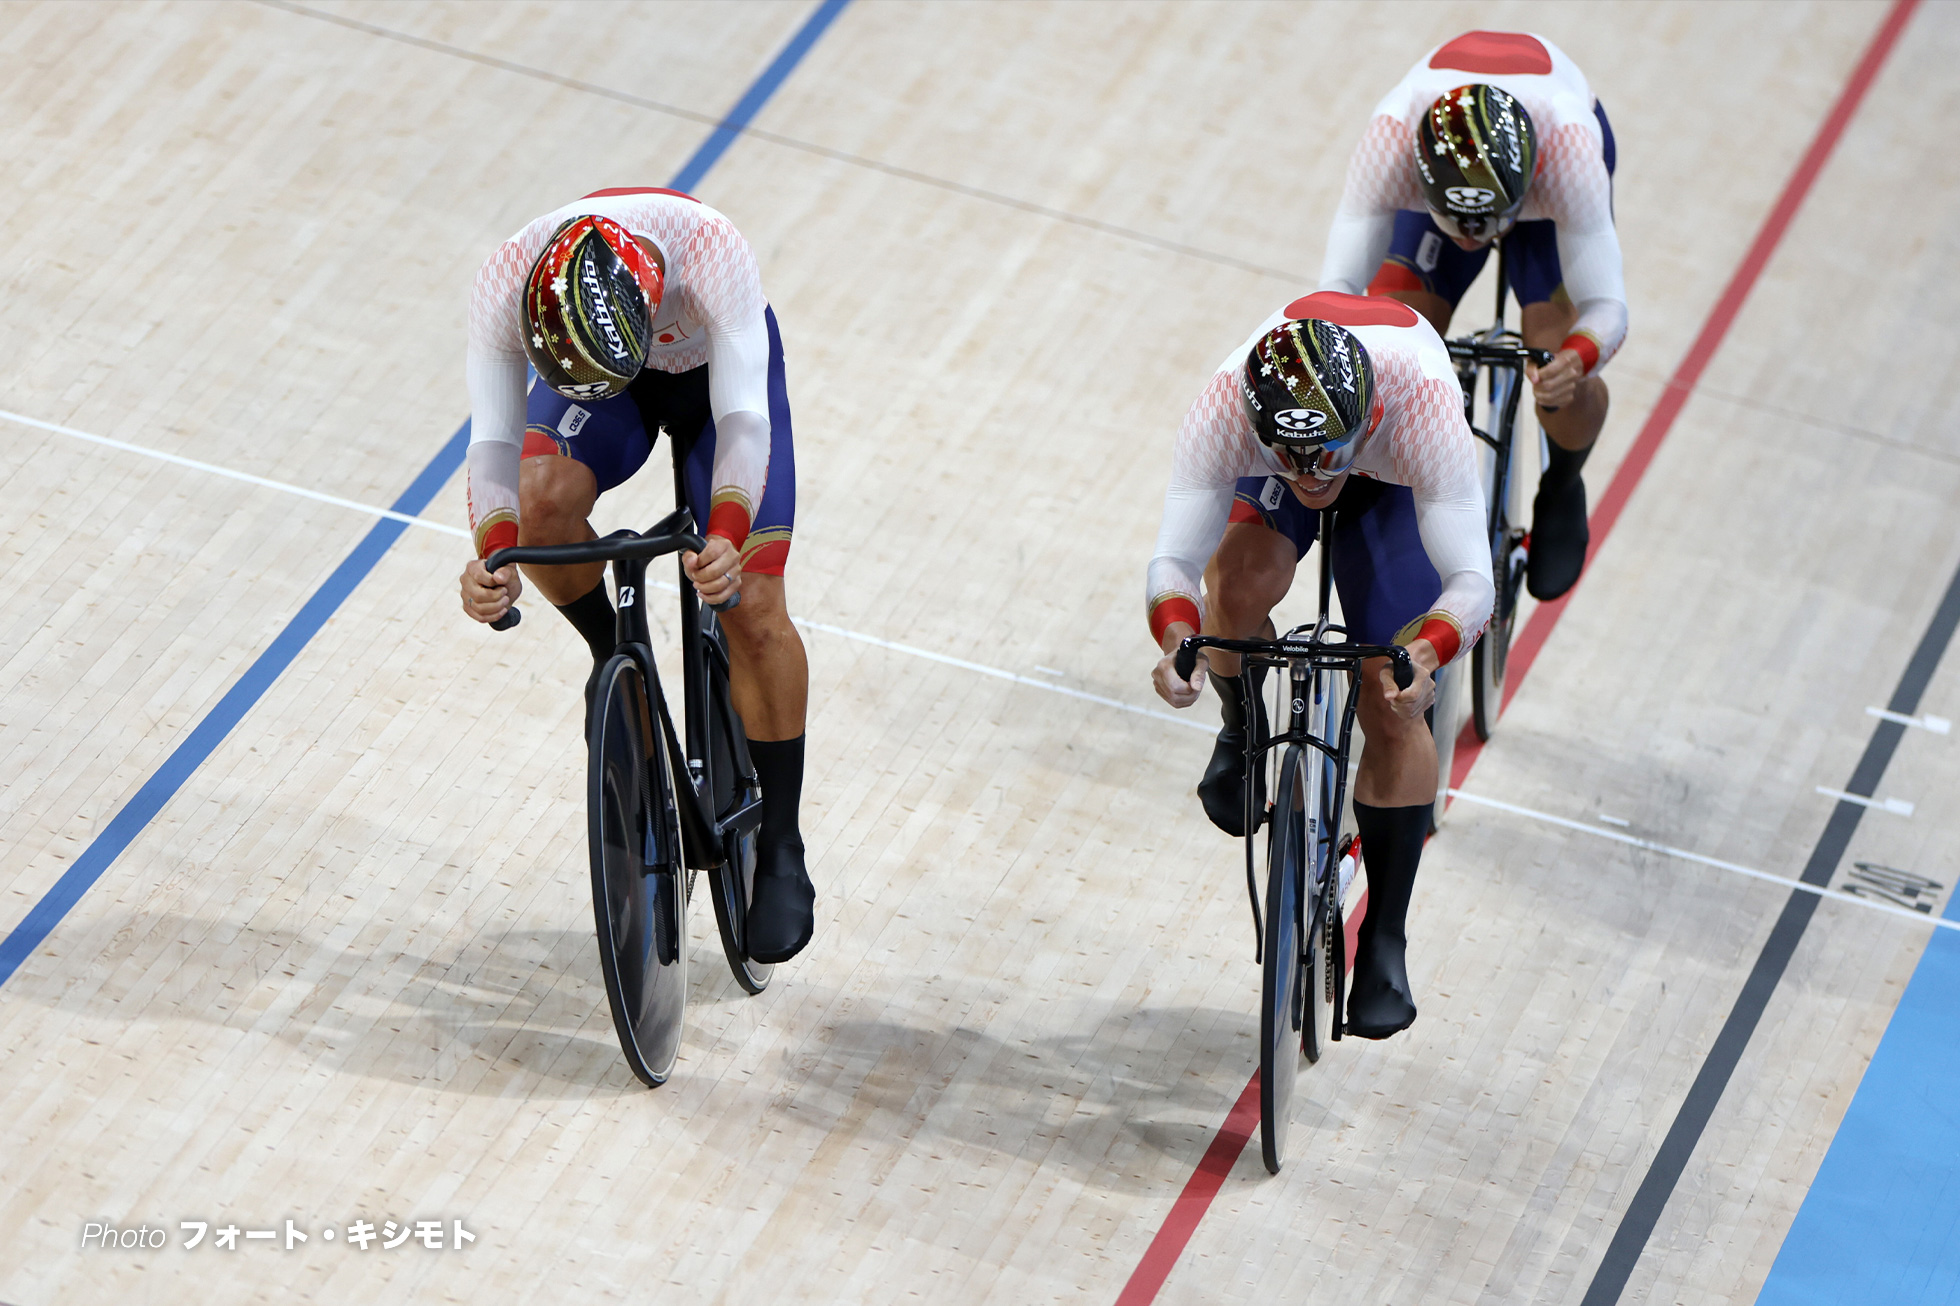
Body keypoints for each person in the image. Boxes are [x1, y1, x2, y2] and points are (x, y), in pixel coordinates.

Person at [456, 187, 814, 964]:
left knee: (750, 600)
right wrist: (494, 552)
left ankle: (783, 845)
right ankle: (611, 652)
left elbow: (746, 423)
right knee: (541, 502)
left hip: (717, 379)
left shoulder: (711, 252)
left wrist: (724, 533)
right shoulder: (509, 276)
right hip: (608, 375)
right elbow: (493, 447)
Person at [1148, 291, 1492, 1038]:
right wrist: (1179, 640)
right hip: (1314, 436)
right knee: (1233, 593)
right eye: (1291, 458)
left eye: (1325, 458)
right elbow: (1173, 559)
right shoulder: (1229, 405)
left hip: (1390, 479)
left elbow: (1474, 583)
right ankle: (1242, 730)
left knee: (1390, 691)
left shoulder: (1420, 406)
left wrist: (1426, 653)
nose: (1310, 476)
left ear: (1364, 420)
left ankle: (1386, 939)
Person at [1319, 29, 1624, 602]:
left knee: (1555, 357)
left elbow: (1609, 307)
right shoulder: (1392, 140)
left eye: (1487, 226)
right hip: (1462, 177)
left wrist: (1578, 356)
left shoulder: (1569, 154)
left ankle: (1563, 479)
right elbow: (1337, 291)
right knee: (1392, 330)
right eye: (1457, 223)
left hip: (1546, 181)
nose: (1470, 240)